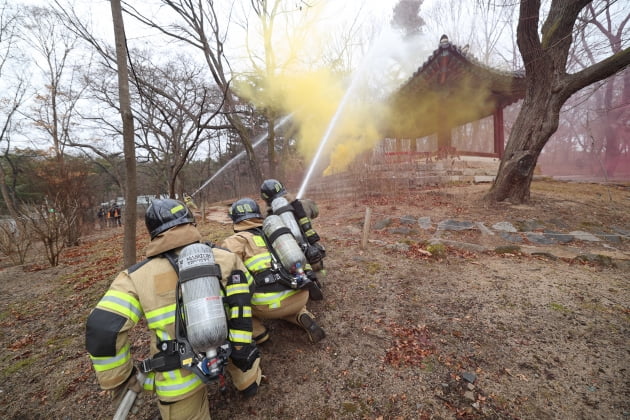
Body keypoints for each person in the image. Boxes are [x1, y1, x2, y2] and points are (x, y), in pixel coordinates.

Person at [85, 198, 261, 420]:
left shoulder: (135, 277)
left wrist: (120, 378)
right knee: (243, 347)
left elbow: (102, 328)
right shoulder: (224, 257)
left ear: (153, 232)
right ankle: (247, 383)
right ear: (190, 222)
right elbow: (249, 291)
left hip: (178, 375)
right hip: (229, 347)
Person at [220, 197, 325, 345]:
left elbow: (226, 276)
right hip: (301, 294)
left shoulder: (234, 241)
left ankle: (259, 333)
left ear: (235, 220)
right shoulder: (276, 233)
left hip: (269, 305)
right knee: (286, 297)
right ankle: (301, 315)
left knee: (229, 300)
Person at [260, 179, 326, 274]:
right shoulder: (302, 204)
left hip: (291, 262)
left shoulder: (269, 219)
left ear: (265, 199)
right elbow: (315, 212)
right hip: (312, 255)